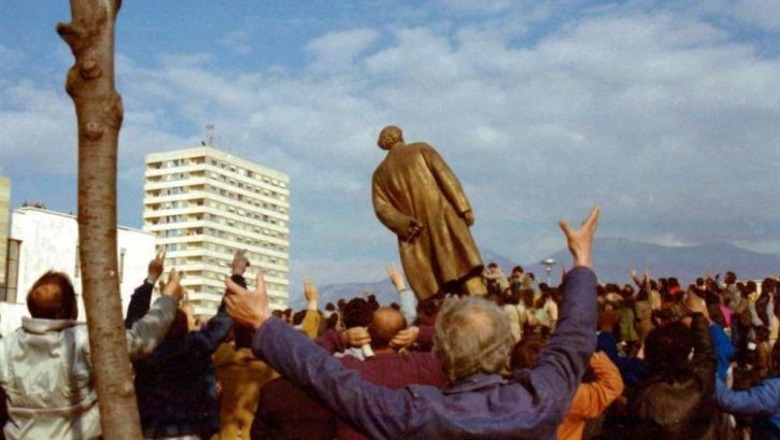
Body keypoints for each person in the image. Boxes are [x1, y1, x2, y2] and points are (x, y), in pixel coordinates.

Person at [225, 206, 600, 439]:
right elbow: (574, 339)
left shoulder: (417, 415)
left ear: (444, 354)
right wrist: (581, 262)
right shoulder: (543, 399)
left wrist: (264, 323)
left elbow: (329, 379)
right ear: (505, 351)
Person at [0, 267, 183, 440]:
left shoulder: (6, 346)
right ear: (73, 308)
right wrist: (168, 299)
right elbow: (140, 339)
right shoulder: (85, 341)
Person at [128, 251, 242, 439]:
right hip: (193, 431)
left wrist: (151, 280)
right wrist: (236, 274)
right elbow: (224, 319)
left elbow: (134, 322)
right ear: (185, 327)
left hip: (153, 432)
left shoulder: (145, 351)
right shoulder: (197, 346)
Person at [371, 125, 485, 300]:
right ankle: (483, 316)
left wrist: (405, 224)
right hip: (445, 220)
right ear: (401, 136)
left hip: (416, 235)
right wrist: (464, 208)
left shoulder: (379, 174)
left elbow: (382, 209)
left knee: (435, 287)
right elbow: (447, 178)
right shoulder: (421, 149)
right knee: (468, 274)